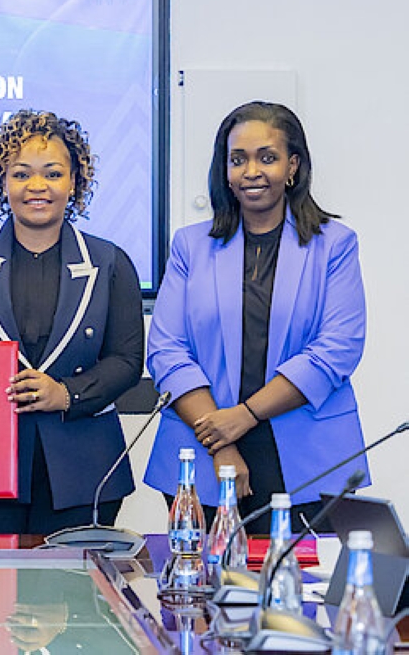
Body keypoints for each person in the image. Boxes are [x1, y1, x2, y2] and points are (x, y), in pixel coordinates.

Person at [144, 101, 369, 533]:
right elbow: (167, 352)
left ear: (293, 167)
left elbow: (335, 351)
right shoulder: (191, 246)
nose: (251, 171)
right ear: (224, 171)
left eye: (267, 157)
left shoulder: (335, 245)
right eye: (238, 159)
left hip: (308, 458)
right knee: (203, 589)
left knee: (299, 593)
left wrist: (245, 415)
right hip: (201, 446)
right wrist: (221, 442)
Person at [0, 109, 144, 535]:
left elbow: (127, 359)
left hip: (84, 472)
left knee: (78, 598)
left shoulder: (109, 262)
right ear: (1, 182)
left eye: (53, 173)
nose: (37, 186)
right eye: (22, 173)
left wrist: (67, 394)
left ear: (74, 182)